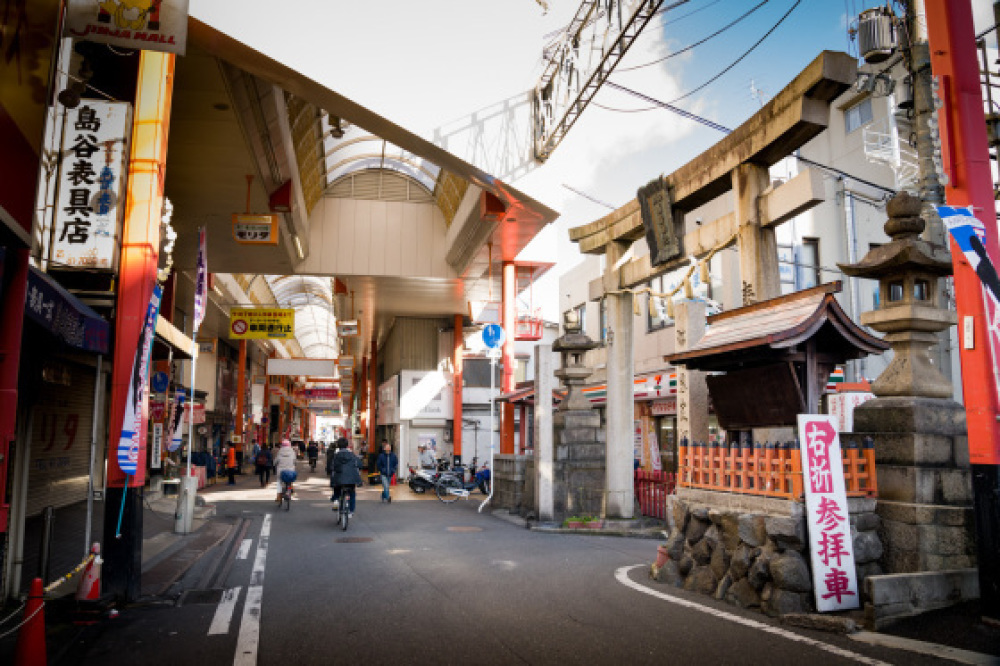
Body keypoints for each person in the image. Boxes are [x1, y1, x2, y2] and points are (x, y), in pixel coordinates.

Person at [329, 438, 363, 516]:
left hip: (339, 479)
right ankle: (351, 511)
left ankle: (336, 500)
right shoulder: (352, 455)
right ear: (347, 445)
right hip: (351, 479)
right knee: (352, 493)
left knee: (336, 487)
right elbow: (360, 464)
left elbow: (331, 467)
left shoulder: (336, 456)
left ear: (338, 445)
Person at [274, 439, 298, 503]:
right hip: (290, 470)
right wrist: (294, 464)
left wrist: (274, 464)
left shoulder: (280, 452)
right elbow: (295, 461)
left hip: (281, 471)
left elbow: (276, 461)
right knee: (290, 480)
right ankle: (290, 489)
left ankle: (279, 496)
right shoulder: (292, 452)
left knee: (279, 482)